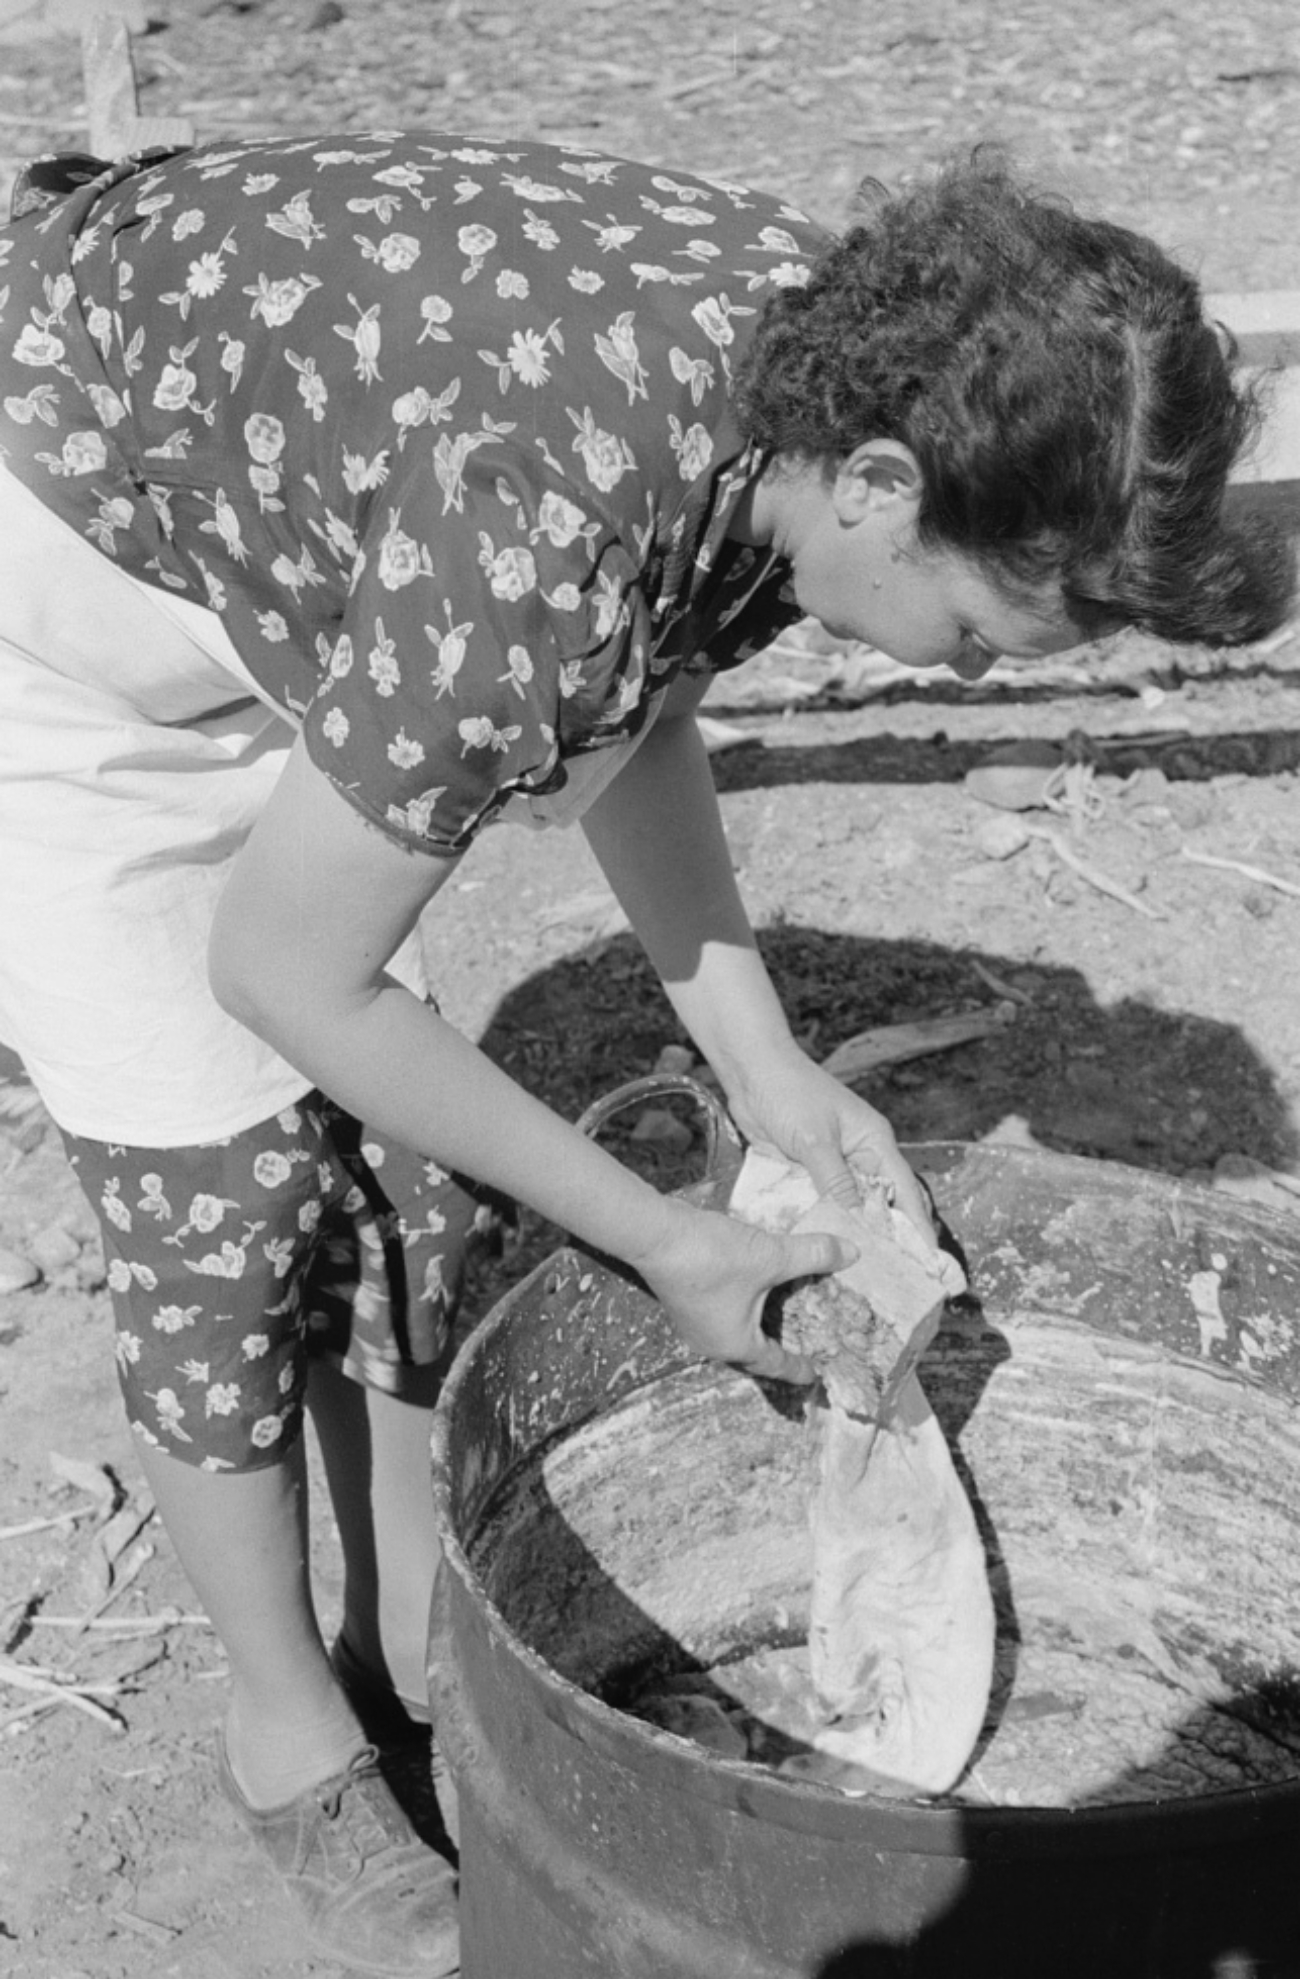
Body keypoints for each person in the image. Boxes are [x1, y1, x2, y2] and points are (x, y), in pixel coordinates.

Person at [0, 130, 1290, 1976]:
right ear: (881, 489)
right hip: (63, 603)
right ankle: (286, 1739)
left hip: (302, 554)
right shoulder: (545, 518)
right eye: (987, 633)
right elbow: (287, 973)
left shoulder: (828, 381)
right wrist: (668, 1239)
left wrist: (769, 1077)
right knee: (221, 1207)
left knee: (411, 1207)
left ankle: (409, 1640)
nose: (979, 679)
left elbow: (635, 697)